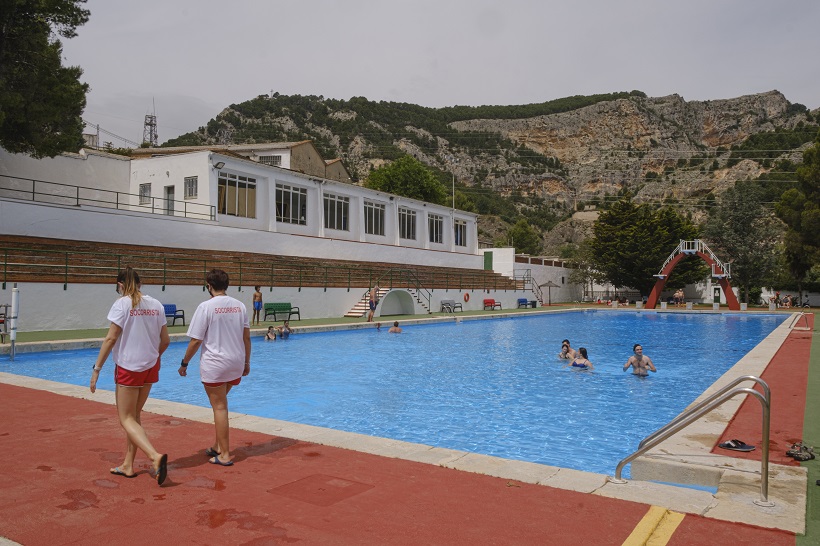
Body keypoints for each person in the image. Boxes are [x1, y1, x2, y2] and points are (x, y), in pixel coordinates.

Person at [90, 267, 169, 485]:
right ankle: (127, 464)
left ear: (120, 285)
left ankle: (155, 456)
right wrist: (153, 356)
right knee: (134, 416)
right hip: (150, 366)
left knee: (126, 419)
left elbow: (110, 339)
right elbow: (165, 341)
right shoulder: (156, 305)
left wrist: (96, 369)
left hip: (129, 366)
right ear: (140, 283)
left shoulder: (122, 304)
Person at [178, 269, 251, 467]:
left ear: (208, 286)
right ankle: (218, 445)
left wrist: (184, 363)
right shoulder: (240, 306)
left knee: (219, 407)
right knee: (221, 403)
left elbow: (196, 341)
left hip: (216, 365)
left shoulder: (206, 307)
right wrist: (246, 362)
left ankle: (225, 454)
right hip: (235, 363)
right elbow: (246, 338)